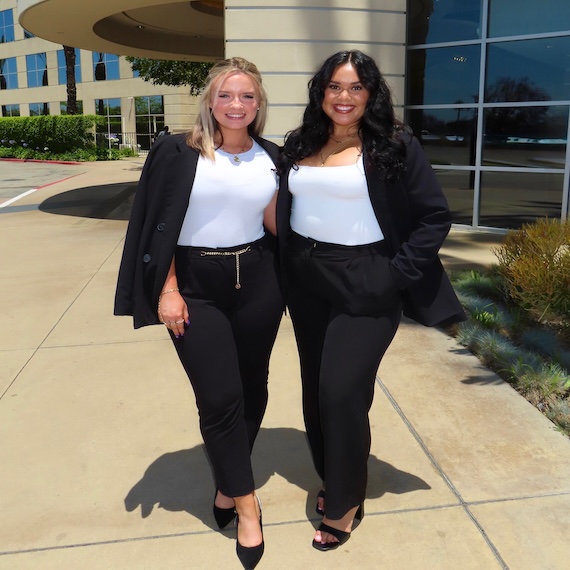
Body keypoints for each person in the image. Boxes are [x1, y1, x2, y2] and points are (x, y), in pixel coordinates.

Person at [276, 50, 466, 551]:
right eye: (335, 86)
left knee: (340, 392)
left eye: (356, 87)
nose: (344, 97)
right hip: (307, 280)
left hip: (366, 278)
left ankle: (343, 503)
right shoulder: (301, 142)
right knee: (317, 393)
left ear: (371, 94)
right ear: (321, 91)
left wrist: (394, 275)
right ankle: (334, 475)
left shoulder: (395, 144)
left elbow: (434, 217)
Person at [114, 57, 283, 570]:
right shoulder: (176, 151)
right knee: (220, 396)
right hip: (194, 284)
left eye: (247, 96)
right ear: (210, 100)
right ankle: (247, 505)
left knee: (253, 387)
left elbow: (274, 221)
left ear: (259, 103)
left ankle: (228, 485)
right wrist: (167, 289)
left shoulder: (272, 156)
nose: (236, 105)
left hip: (259, 280)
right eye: (226, 95)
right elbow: (155, 223)